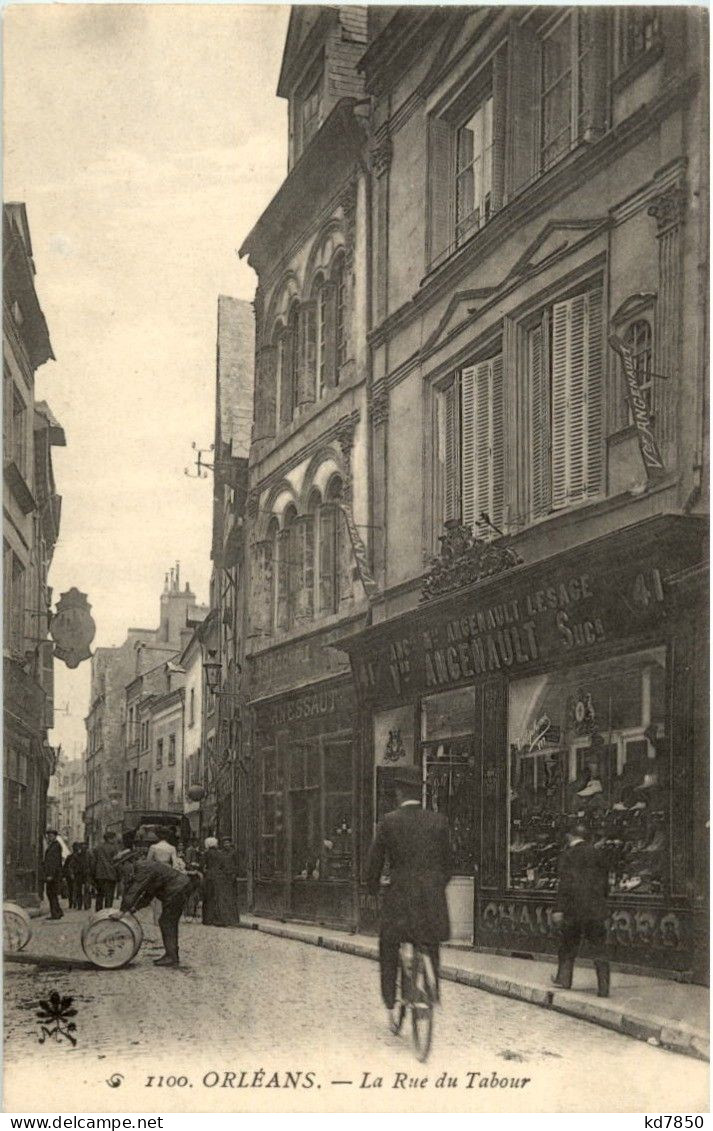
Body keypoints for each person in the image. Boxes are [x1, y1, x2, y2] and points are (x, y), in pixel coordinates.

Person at [366, 765, 452, 1018]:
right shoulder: (439, 822)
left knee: (389, 943)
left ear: (400, 793)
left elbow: (375, 863)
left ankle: (391, 998)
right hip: (432, 901)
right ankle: (431, 989)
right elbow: (449, 866)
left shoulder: (389, 822)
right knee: (429, 942)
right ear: (420, 793)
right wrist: (435, 886)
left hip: (400, 900)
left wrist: (372, 889)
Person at [552, 821, 611, 997]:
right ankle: (603, 987)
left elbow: (565, 885)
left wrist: (559, 909)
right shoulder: (597, 853)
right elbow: (605, 882)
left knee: (568, 945)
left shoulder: (568, 855)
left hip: (573, 910)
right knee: (599, 947)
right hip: (595, 909)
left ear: (570, 836)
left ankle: (564, 979)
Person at [118, 836, 192, 967]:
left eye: (123, 864)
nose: (123, 869)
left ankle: (172, 956)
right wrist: (134, 908)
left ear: (130, 861)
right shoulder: (145, 866)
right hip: (180, 887)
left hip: (176, 889)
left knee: (167, 921)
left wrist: (122, 911)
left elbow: (135, 890)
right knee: (168, 920)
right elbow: (149, 894)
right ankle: (171, 954)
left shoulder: (142, 866)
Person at [202, 837, 240, 927]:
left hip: (213, 877)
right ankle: (219, 919)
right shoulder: (220, 853)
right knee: (219, 898)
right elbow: (222, 865)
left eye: (227, 843)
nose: (225, 845)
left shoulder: (207, 853)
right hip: (220, 877)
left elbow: (202, 865)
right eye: (224, 843)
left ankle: (208, 919)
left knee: (209, 898)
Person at [92, 831, 118, 911]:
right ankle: (107, 913)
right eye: (114, 838)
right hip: (111, 875)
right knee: (109, 896)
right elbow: (116, 862)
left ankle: (98, 913)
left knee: (99, 895)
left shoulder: (97, 848)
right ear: (110, 839)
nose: (115, 840)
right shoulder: (114, 848)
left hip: (99, 875)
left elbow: (94, 862)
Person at [43, 830, 64, 920]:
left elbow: (53, 862)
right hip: (54, 874)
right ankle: (58, 912)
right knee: (52, 894)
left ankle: (55, 914)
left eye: (51, 835)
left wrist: (50, 874)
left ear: (55, 836)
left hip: (53, 875)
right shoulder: (54, 845)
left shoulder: (55, 846)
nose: (49, 837)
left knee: (51, 893)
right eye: (48, 835)